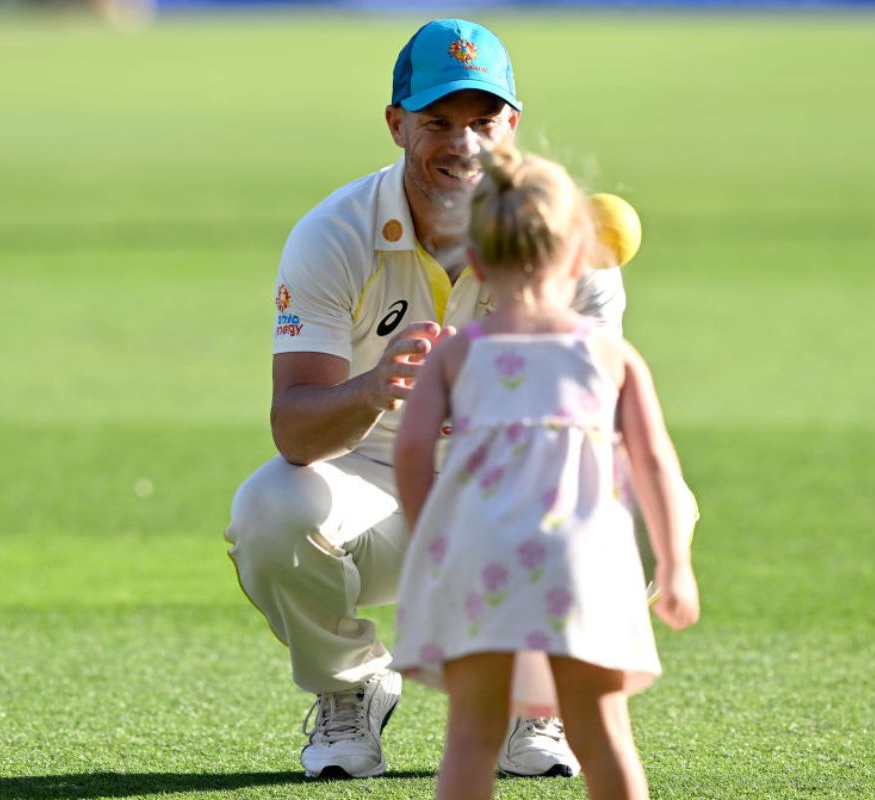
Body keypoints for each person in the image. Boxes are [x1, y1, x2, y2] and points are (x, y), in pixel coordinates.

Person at [225, 18, 690, 780]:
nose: (462, 143)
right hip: (376, 487)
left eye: (482, 121)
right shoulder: (332, 235)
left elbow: (602, 433)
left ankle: (535, 703)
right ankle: (351, 689)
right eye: (438, 122)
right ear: (397, 123)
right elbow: (295, 430)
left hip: (522, 492)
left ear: (512, 124)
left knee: (644, 494)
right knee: (269, 509)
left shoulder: (569, 239)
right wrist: (376, 389)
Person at [390, 141, 700, 800]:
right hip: (582, 559)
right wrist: (674, 565)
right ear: (584, 257)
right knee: (603, 731)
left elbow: (413, 451)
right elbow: (653, 460)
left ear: (474, 260)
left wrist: (428, 542)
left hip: (479, 553)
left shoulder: (456, 356)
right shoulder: (610, 354)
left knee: (471, 735)